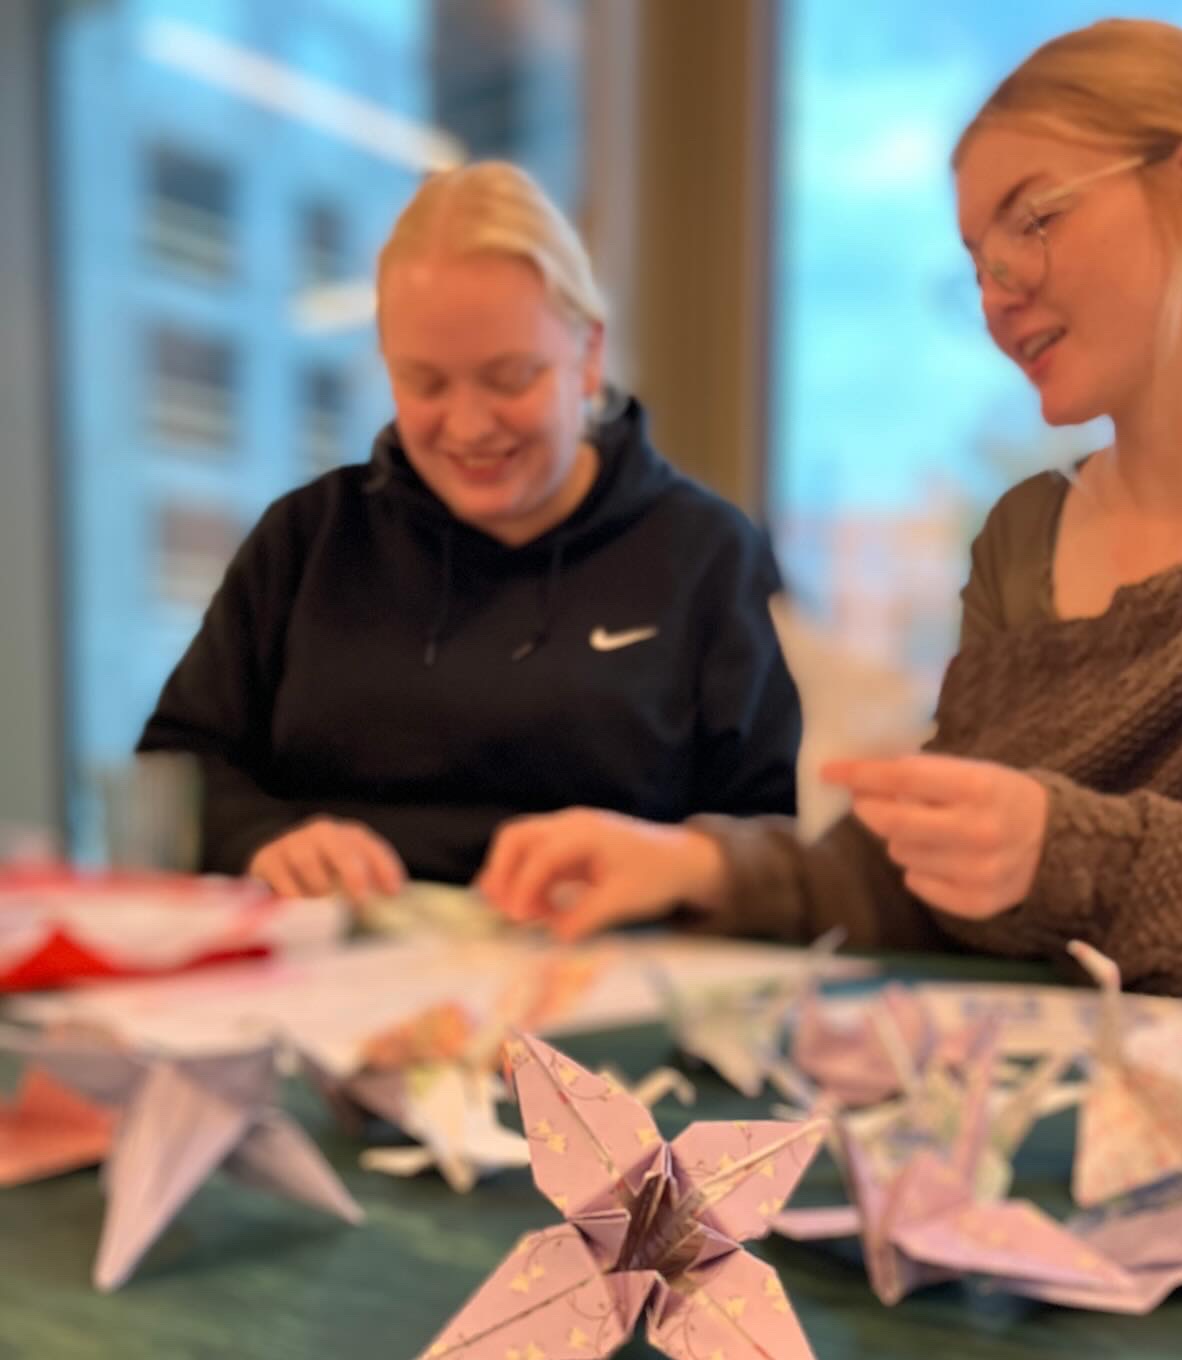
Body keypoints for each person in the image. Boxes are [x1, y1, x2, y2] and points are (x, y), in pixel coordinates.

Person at [477, 19, 1182, 997]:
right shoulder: (1024, 542)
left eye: (1035, 220)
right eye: (978, 261)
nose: (997, 295)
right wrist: (699, 864)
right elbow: (947, 883)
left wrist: (1083, 858)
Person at [138, 161, 801, 900]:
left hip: (599, 954)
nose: (469, 426)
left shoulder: (710, 556)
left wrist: (670, 863)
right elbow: (175, 771)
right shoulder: (307, 539)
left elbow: (777, 836)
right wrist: (265, 840)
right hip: (336, 951)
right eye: (425, 382)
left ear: (589, 356)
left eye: (509, 377)